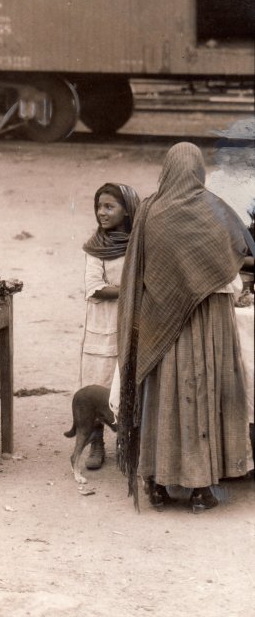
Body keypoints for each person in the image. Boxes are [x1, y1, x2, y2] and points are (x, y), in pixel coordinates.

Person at [116, 142, 254, 513]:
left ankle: (155, 484)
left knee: (162, 401)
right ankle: (200, 489)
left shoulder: (150, 210)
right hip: (207, 324)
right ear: (199, 171)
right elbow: (239, 258)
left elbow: (139, 272)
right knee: (202, 398)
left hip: (160, 326)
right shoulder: (216, 210)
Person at [79, 182, 140, 470]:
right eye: (99, 207)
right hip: (103, 326)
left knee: (129, 382)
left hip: (132, 323)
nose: (101, 213)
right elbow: (95, 287)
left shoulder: (140, 243)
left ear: (127, 211)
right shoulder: (95, 247)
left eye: (109, 207)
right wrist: (132, 288)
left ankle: (126, 442)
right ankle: (96, 443)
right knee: (98, 383)